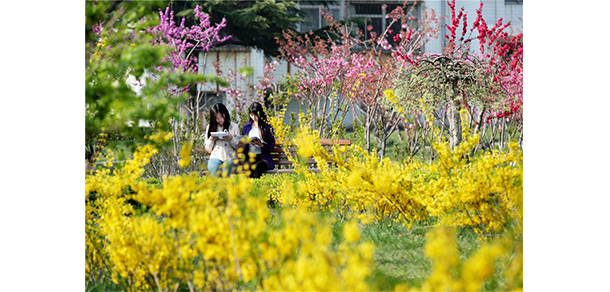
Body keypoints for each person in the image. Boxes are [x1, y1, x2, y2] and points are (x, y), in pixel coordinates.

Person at [239, 102, 276, 178]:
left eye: (256, 115)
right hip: (250, 155)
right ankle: (250, 188)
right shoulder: (247, 127)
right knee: (248, 167)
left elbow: (271, 146)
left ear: (260, 114)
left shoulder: (267, 127)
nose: (254, 118)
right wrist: (244, 142)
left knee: (256, 167)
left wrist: (261, 144)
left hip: (263, 157)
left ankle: (258, 187)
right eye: (252, 115)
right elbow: (242, 144)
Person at [203, 103, 240, 177]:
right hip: (215, 157)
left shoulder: (234, 127)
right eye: (216, 117)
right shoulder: (210, 127)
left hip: (230, 157)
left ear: (225, 114)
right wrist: (211, 139)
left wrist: (231, 138)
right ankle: (214, 187)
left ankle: (225, 187)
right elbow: (207, 149)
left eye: (221, 116)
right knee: (215, 167)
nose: (219, 119)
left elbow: (238, 147)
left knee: (226, 168)